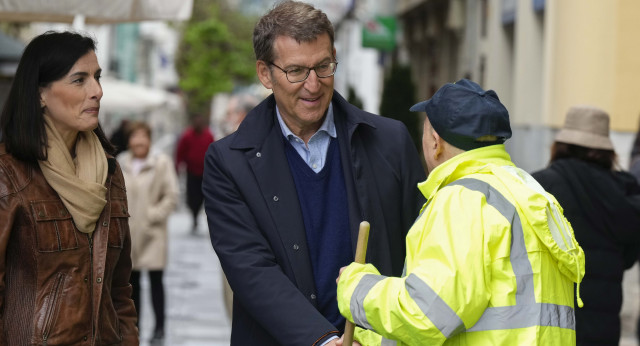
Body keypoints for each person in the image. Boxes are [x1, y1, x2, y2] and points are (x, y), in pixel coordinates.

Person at [201, 1, 426, 345]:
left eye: (324, 66)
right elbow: (251, 270)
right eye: (296, 71)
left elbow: (421, 252)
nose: (313, 84)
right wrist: (321, 339)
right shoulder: (228, 162)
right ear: (265, 73)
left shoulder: (390, 142)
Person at [336, 79, 585, 345]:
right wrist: (371, 340)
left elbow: (426, 315)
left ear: (435, 142)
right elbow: (471, 317)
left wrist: (357, 289)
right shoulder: (532, 194)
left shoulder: (462, 200)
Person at [0, 31, 138, 345]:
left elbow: (120, 290)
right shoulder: (7, 174)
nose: (97, 91)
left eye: (97, 77)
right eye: (79, 80)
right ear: (39, 94)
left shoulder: (110, 172)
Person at [531, 106, 640, 345]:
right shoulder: (625, 193)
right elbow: (629, 257)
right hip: (604, 328)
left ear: (561, 145)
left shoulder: (539, 186)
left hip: (551, 325)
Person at [118, 121, 179, 343]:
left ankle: (159, 329)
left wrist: (154, 215)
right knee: (131, 286)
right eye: (135, 136)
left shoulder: (160, 162)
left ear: (150, 139)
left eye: (143, 136)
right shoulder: (120, 162)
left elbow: (172, 195)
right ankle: (135, 328)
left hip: (153, 234)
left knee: (156, 283)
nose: (139, 141)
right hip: (130, 235)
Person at [176, 113, 214, 233]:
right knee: (192, 196)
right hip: (191, 171)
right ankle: (194, 215)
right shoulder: (187, 136)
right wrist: (178, 165)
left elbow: (213, 152)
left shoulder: (208, 135)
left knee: (203, 195)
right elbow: (180, 152)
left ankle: (196, 215)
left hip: (205, 172)